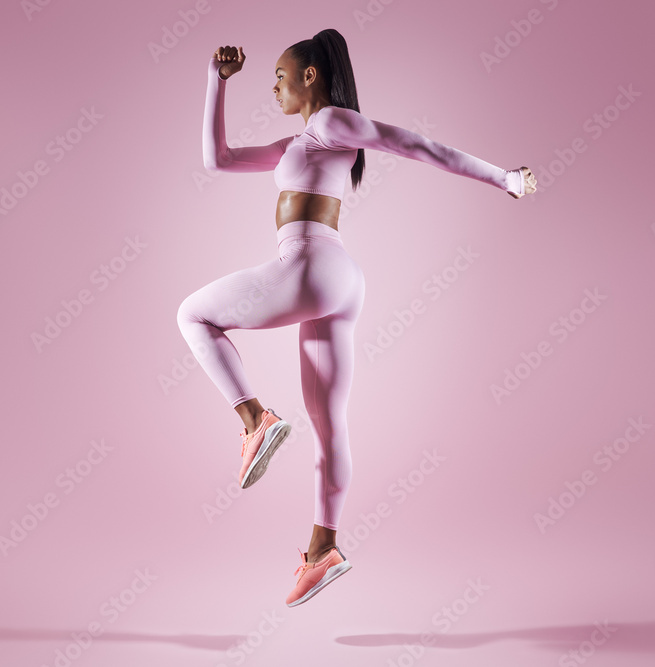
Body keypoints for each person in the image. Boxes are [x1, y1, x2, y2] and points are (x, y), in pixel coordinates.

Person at [177, 29, 536, 608]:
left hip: (310, 265)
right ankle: (323, 548)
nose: (273, 86)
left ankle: (254, 421)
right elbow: (215, 159)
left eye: (279, 76)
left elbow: (418, 145)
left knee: (192, 315)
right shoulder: (300, 142)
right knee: (330, 428)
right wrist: (216, 83)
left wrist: (506, 178)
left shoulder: (331, 122)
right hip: (339, 280)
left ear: (310, 75)